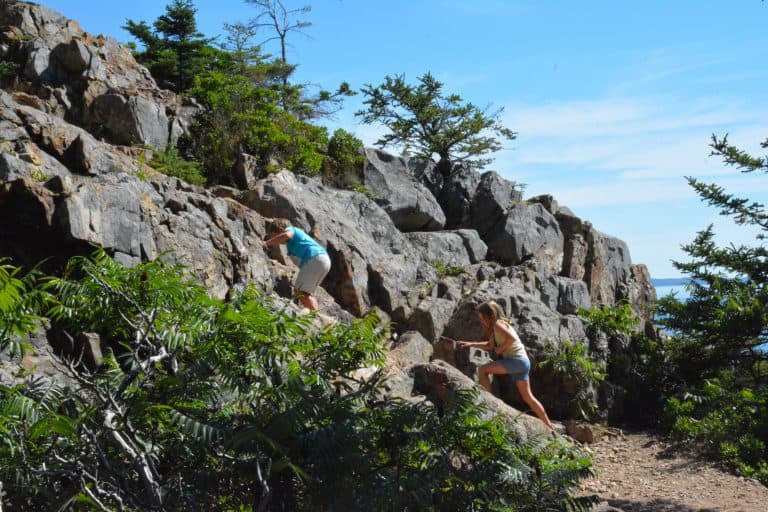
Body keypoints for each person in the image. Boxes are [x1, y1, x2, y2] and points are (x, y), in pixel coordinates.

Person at [456, 300, 554, 430]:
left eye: (482, 318)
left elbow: (511, 339)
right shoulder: (497, 327)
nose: (481, 321)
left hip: (517, 361)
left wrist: (501, 349)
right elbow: (490, 346)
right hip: (523, 362)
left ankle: (488, 402)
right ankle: (549, 425)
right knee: (528, 397)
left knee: (483, 370)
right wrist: (470, 344)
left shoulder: (497, 325)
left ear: (489, 315)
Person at [265, 219, 331, 311]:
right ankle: (317, 317)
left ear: (280, 230)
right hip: (322, 260)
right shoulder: (293, 240)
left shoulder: (291, 229)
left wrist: (266, 243)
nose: (278, 242)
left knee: (301, 292)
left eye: (275, 236)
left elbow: (286, 235)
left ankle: (316, 317)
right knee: (306, 293)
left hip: (314, 259)